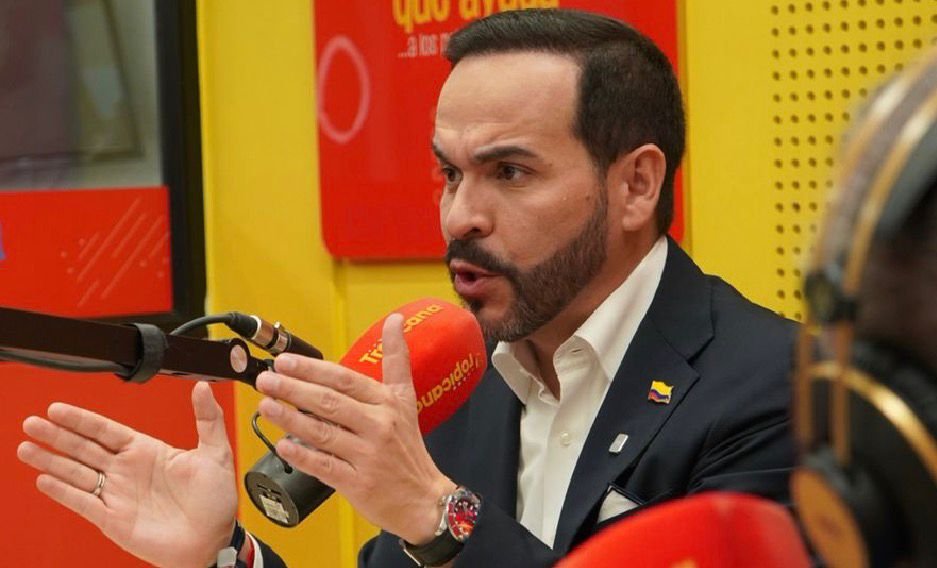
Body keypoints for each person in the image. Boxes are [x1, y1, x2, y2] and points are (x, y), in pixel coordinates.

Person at [16, 9, 797, 568]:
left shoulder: (778, 390)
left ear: (635, 184)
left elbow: (444, 529)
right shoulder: (452, 374)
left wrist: (437, 516)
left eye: (508, 172)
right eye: (449, 173)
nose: (459, 217)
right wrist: (223, 555)